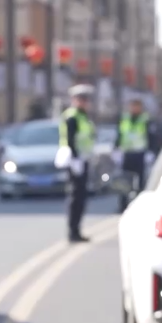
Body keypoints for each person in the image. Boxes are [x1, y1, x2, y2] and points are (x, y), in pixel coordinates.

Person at [58, 84, 96, 243]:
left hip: (83, 158)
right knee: (76, 196)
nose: (83, 102)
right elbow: (71, 138)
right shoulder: (72, 116)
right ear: (74, 100)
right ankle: (73, 231)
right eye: (80, 99)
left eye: (85, 99)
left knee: (81, 196)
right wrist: (75, 159)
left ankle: (77, 230)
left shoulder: (84, 116)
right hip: (75, 160)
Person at [113, 98, 156, 190]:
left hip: (140, 154)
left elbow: (151, 137)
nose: (135, 108)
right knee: (125, 181)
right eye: (133, 106)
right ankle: (125, 199)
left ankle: (138, 194)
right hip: (127, 153)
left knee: (140, 180)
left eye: (137, 106)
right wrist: (116, 149)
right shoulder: (124, 119)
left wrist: (150, 151)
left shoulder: (145, 120)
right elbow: (119, 135)